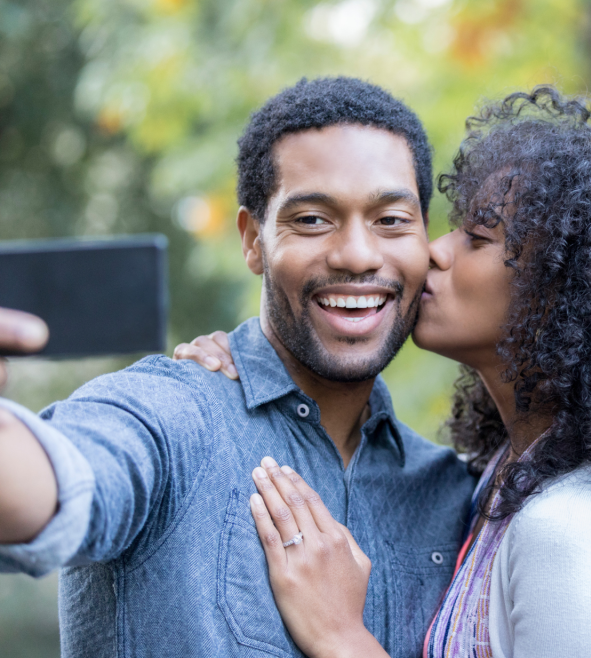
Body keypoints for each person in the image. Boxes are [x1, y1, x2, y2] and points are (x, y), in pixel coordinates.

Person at [179, 87, 591, 657]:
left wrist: (341, 636)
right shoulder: (504, 482)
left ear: (565, 294)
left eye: (476, 237)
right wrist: (246, 356)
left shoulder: (573, 528)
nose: (433, 252)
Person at [0, 77, 476, 657]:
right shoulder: (172, 416)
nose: (357, 254)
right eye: (311, 220)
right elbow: (51, 482)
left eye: (391, 220)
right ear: (253, 241)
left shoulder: (453, 493)